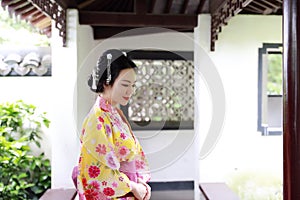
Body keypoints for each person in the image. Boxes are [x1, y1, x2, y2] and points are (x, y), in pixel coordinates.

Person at [76, 49, 151, 200]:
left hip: (129, 190)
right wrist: (133, 186)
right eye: (125, 84)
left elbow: (134, 156)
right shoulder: (97, 118)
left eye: (133, 85)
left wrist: (141, 183)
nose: (130, 91)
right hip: (118, 193)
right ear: (106, 83)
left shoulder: (114, 113)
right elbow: (96, 174)